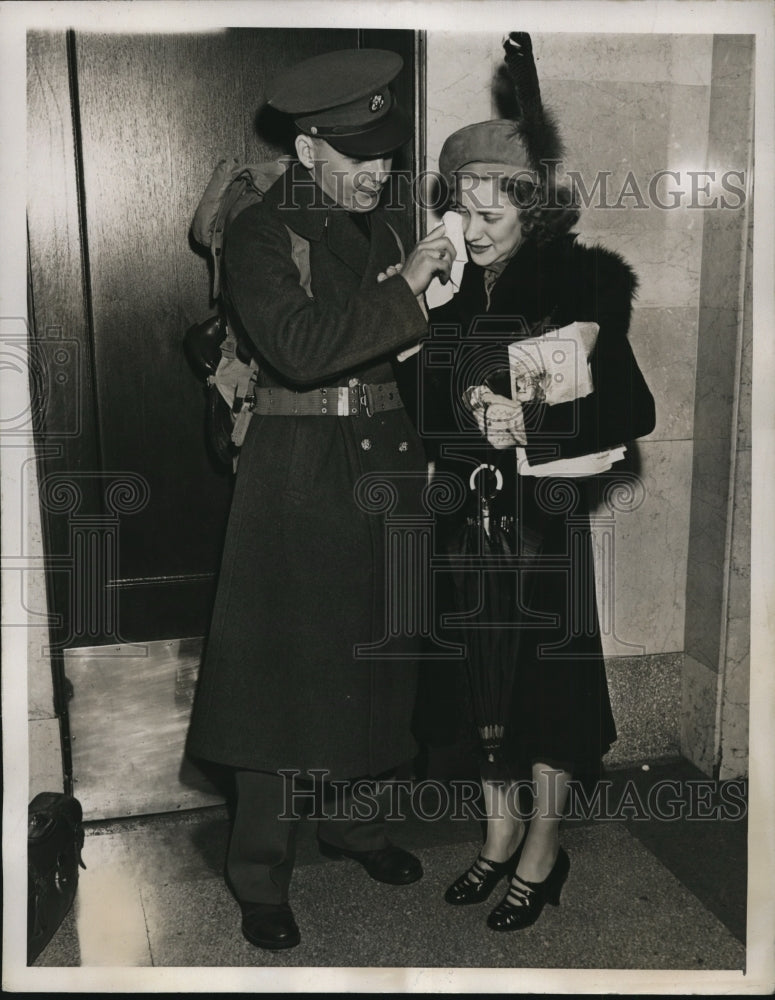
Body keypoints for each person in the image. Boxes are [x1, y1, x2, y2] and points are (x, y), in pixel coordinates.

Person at [186, 47, 456, 951]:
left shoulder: (380, 226)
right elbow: (301, 349)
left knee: (381, 659)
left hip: (383, 457)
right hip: (297, 470)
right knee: (278, 681)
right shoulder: (263, 231)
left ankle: (356, 824)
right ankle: (260, 870)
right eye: (355, 160)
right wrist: (410, 293)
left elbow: (392, 346)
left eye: (384, 158)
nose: (377, 175)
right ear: (307, 151)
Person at [415, 33, 656, 932]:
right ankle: (496, 831)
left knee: (545, 691)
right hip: (457, 515)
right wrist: (427, 324)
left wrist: (535, 422)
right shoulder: (452, 284)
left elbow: (631, 409)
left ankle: (543, 850)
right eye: (462, 212)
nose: (472, 231)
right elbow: (420, 405)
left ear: (530, 211)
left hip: (539, 520)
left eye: (490, 216)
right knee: (478, 684)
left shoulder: (578, 286)